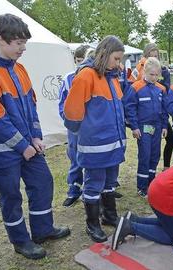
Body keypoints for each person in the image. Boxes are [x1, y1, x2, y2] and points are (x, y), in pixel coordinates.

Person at [0, 13, 70, 260]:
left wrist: (36, 137)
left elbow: (32, 105)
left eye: (25, 42)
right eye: (18, 43)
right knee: (11, 196)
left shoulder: (21, 69)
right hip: (4, 151)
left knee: (43, 182)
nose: (24, 48)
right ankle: (21, 241)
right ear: (0, 40)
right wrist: (21, 145)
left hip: (28, 145)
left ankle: (42, 230)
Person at [64, 35, 126, 242]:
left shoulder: (112, 77)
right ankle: (92, 224)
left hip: (113, 145)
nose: (119, 63)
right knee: (93, 185)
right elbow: (72, 113)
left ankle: (109, 215)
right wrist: (83, 135)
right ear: (105, 54)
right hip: (95, 146)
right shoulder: (86, 76)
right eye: (116, 59)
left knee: (109, 183)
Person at [124, 57, 168, 198]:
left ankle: (152, 184)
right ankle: (142, 187)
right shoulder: (135, 88)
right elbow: (130, 108)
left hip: (157, 127)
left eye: (157, 75)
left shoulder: (161, 89)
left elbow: (164, 109)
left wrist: (165, 126)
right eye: (151, 74)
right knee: (145, 156)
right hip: (143, 128)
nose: (154, 77)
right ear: (145, 72)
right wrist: (134, 127)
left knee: (155, 156)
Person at [130, 43, 173, 171]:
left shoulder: (162, 72)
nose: (154, 58)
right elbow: (131, 85)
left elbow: (166, 88)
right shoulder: (139, 68)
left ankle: (162, 170)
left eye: (156, 56)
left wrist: (161, 80)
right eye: (151, 55)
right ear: (146, 56)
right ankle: (143, 184)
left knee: (162, 146)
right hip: (144, 119)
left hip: (158, 118)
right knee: (145, 153)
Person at [58, 44, 90, 207]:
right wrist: (69, 121)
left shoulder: (95, 76)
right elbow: (62, 103)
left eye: (83, 60)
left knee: (91, 159)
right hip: (75, 129)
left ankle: (92, 191)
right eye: (78, 60)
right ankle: (74, 190)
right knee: (75, 157)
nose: (81, 64)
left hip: (91, 128)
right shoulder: (69, 77)